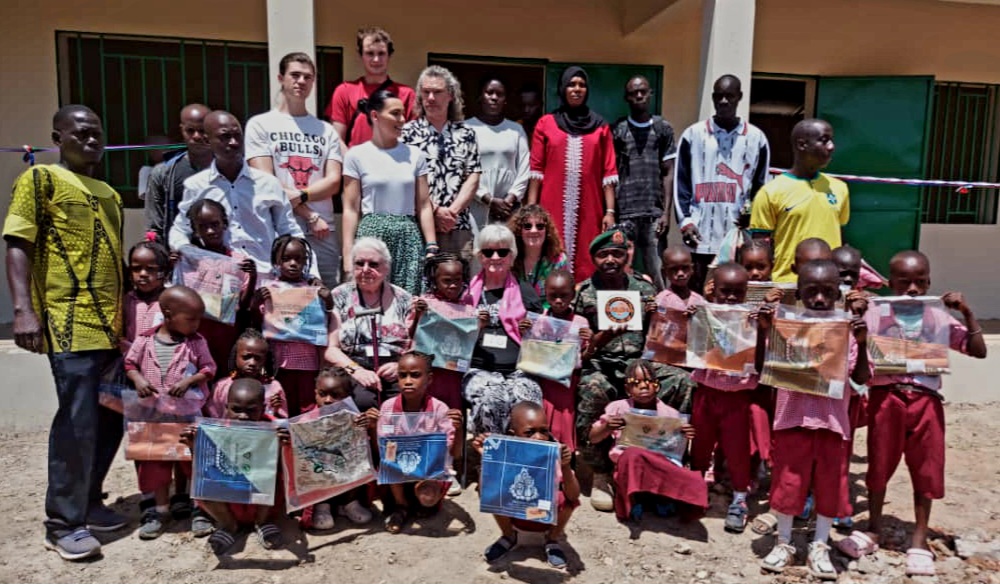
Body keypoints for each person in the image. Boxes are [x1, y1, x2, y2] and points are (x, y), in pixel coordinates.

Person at [4, 105, 127, 560]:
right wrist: (23, 311)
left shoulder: (109, 193)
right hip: (69, 322)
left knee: (111, 416)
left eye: (96, 133)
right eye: (80, 133)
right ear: (58, 137)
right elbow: (18, 244)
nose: (91, 140)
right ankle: (62, 522)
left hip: (110, 328)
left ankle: (89, 502)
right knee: (76, 423)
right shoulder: (40, 181)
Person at [841, 251, 986, 577]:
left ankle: (919, 539)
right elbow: (859, 371)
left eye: (920, 283)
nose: (912, 290)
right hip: (885, 398)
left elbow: (978, 350)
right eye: (904, 283)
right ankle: (873, 528)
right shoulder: (876, 314)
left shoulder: (938, 319)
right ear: (890, 284)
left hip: (926, 401)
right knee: (879, 464)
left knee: (927, 467)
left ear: (929, 283)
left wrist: (967, 312)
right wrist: (857, 317)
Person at [756, 259, 870, 579]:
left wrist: (861, 345)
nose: (819, 299)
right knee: (788, 484)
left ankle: (820, 543)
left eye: (827, 292)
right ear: (799, 291)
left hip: (833, 423)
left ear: (838, 292)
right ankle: (784, 542)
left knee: (828, 486)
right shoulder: (785, 326)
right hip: (792, 419)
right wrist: (764, 330)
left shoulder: (847, 329)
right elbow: (763, 370)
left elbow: (861, 378)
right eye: (811, 291)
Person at [574, 229, 694, 512]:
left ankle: (668, 461)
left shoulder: (643, 287)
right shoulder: (583, 292)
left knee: (682, 381)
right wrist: (601, 337)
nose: (611, 259)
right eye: (604, 254)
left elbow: (662, 333)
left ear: (627, 254)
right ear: (594, 258)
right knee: (594, 388)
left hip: (642, 362)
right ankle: (600, 471)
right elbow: (579, 352)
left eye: (617, 253)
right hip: (601, 363)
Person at [168, 110, 315, 278]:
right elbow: (180, 229)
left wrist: (310, 275)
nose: (233, 142)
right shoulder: (197, 186)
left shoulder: (268, 184)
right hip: (218, 280)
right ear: (208, 141)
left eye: (237, 135)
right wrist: (187, 250)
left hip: (265, 278)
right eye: (225, 137)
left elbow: (288, 229)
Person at [124, 286, 215, 539]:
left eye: (199, 319)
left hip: (186, 415)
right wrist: (139, 380)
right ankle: (159, 511)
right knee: (156, 463)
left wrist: (189, 381)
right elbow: (130, 364)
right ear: (168, 313)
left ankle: (198, 509)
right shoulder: (144, 340)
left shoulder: (196, 342)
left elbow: (209, 368)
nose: (196, 324)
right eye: (190, 319)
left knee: (192, 461)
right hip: (154, 415)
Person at [246, 52, 344, 287]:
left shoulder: (326, 130)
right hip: (279, 226)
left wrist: (302, 197)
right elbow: (265, 180)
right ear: (281, 78)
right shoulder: (260, 125)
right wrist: (309, 215)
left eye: (307, 77)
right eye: (295, 75)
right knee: (279, 295)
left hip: (322, 230)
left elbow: (333, 181)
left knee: (325, 293)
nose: (301, 81)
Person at [675, 75, 770, 293]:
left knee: (734, 296)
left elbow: (760, 188)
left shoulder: (756, 138)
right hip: (700, 235)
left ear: (740, 98)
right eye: (719, 96)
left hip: (738, 237)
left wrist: (752, 218)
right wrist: (686, 223)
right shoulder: (693, 135)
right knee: (700, 295)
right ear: (713, 98)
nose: (724, 101)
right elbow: (681, 183)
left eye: (730, 96)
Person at [527, 66, 617, 281]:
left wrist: (610, 211)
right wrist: (532, 210)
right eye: (571, 84)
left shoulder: (600, 127)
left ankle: (582, 303)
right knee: (550, 251)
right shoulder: (546, 124)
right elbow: (536, 170)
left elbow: (609, 172)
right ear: (562, 89)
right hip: (551, 206)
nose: (577, 89)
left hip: (590, 206)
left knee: (588, 252)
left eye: (582, 85)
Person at [342, 89, 436, 294]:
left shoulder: (415, 155)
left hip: (407, 237)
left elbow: (423, 204)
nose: (402, 120)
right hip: (371, 235)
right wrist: (348, 254)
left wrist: (431, 246)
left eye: (403, 114)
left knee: (407, 301)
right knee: (369, 300)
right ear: (375, 116)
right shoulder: (356, 155)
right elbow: (350, 208)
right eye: (395, 113)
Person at [181, 378, 289, 555]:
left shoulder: (273, 429)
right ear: (226, 408)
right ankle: (228, 526)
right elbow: (202, 469)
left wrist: (279, 448)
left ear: (262, 408)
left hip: (262, 503)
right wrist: (195, 447)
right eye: (236, 409)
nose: (243, 416)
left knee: (273, 478)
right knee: (205, 482)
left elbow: (286, 469)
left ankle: (262, 523)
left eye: (251, 410)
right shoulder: (214, 431)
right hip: (227, 502)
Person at [589, 359, 706, 523]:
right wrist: (607, 427)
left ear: (657, 385)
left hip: (656, 465)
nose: (643, 386)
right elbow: (593, 437)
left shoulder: (669, 413)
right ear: (627, 389)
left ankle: (661, 497)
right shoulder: (618, 408)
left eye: (649, 381)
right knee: (632, 456)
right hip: (627, 465)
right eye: (635, 383)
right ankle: (633, 501)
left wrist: (684, 433)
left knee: (693, 480)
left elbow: (674, 449)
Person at [687, 262, 758, 533]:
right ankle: (695, 490)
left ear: (746, 292)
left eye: (737, 293)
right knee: (701, 444)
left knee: (738, 449)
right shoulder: (704, 314)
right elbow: (692, 348)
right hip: (707, 392)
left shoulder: (752, 319)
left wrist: (761, 326)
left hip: (737, 398)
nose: (730, 298)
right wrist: (693, 318)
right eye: (724, 292)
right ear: (712, 290)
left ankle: (740, 498)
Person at [477, 401, 580, 569]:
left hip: (540, 513)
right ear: (514, 434)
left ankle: (552, 540)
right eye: (529, 432)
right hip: (516, 513)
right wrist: (487, 459)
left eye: (544, 431)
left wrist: (566, 466)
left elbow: (574, 496)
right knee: (493, 493)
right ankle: (509, 536)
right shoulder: (505, 455)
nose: (538, 437)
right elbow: (485, 492)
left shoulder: (554, 454)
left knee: (566, 499)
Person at [462, 224, 543, 436]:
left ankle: (524, 459)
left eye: (503, 251)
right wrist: (474, 328)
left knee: (527, 398)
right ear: (480, 256)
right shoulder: (465, 294)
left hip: (519, 370)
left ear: (512, 256)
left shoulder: (526, 293)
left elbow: (543, 340)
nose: (495, 257)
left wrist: (530, 331)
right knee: (493, 399)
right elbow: (454, 338)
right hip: (478, 370)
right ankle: (491, 456)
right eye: (488, 252)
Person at [373, 351, 463, 533]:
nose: (407, 381)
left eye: (415, 375)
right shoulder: (388, 408)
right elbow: (383, 451)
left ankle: (421, 497)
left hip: (428, 469)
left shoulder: (439, 409)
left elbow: (455, 453)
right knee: (390, 461)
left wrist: (459, 429)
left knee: (427, 502)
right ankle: (401, 506)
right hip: (399, 467)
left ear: (429, 379)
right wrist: (372, 427)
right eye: (402, 375)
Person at [750, 118, 848, 283]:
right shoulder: (770, 192)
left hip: (827, 285)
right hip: (787, 285)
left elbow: (840, 238)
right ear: (802, 145)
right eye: (824, 141)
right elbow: (760, 248)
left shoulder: (840, 188)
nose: (831, 147)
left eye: (831, 141)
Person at [401, 66, 482, 264]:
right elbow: (405, 178)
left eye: (437, 92)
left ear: (450, 96)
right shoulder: (407, 133)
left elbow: (473, 176)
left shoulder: (466, 133)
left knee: (457, 286)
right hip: (418, 226)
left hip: (458, 226)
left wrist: (451, 213)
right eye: (426, 92)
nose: (430, 98)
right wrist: (435, 210)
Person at [324, 238, 414, 411]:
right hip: (354, 364)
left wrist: (400, 366)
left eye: (373, 264)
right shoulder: (339, 296)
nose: (366, 269)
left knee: (404, 401)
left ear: (386, 268)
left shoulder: (403, 298)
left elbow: (416, 343)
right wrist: (357, 371)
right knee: (363, 402)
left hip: (394, 366)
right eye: (359, 263)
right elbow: (331, 348)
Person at [178, 199, 258, 377]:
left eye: (215, 224)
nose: (210, 231)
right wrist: (172, 265)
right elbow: (178, 295)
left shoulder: (237, 262)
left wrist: (252, 277)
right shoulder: (190, 261)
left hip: (226, 336)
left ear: (225, 223)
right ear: (195, 229)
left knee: (224, 381)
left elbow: (243, 306)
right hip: (196, 335)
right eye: (203, 226)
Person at [254, 235, 333, 416]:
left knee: (307, 409)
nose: (292, 263)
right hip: (278, 362)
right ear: (276, 261)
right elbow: (257, 322)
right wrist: (257, 300)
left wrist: (327, 298)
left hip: (308, 363)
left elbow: (327, 313)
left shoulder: (313, 287)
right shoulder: (270, 288)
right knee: (281, 406)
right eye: (286, 259)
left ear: (306, 261)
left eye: (298, 259)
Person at [612, 76, 677, 289]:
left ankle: (660, 318)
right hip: (625, 214)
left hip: (653, 215)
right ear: (626, 98)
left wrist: (666, 213)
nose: (638, 96)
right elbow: (610, 174)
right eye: (633, 93)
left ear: (650, 94)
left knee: (658, 272)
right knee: (618, 271)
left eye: (642, 91)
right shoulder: (618, 130)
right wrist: (611, 211)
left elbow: (668, 172)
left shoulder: (662, 128)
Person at [299, 367, 375, 530]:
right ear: (315, 393)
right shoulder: (305, 420)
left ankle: (349, 504)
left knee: (358, 454)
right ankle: (322, 506)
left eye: (335, 395)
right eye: (322, 394)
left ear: (348, 397)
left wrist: (369, 426)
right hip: (320, 479)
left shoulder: (355, 418)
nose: (327, 400)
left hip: (346, 479)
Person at [325, 26, 416, 148]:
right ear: (360, 55)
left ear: (389, 55)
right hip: (355, 164)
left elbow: (411, 141)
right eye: (370, 53)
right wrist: (354, 164)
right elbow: (337, 140)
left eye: (381, 53)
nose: (376, 59)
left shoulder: (407, 94)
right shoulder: (344, 91)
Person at [409, 253, 473, 410]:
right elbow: (411, 335)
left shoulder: (467, 306)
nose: (453, 285)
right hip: (432, 372)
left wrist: (481, 324)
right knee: (428, 409)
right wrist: (418, 316)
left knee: (453, 411)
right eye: (446, 281)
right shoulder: (426, 304)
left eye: (457, 280)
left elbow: (470, 337)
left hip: (454, 374)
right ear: (434, 281)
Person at [466, 76, 531, 231]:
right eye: (489, 93)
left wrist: (510, 199)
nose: (494, 98)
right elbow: (464, 170)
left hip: (508, 209)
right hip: (476, 205)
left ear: (505, 100)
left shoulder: (516, 130)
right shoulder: (466, 128)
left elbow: (524, 168)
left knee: (505, 249)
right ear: (480, 97)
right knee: (477, 249)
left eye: (499, 94)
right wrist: (488, 199)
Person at [537, 269, 591, 452]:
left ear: (573, 295)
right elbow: (531, 350)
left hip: (567, 382)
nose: (558, 301)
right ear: (545, 293)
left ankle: (566, 461)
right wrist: (525, 332)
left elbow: (585, 356)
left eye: (564, 295)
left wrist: (590, 340)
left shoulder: (580, 322)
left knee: (564, 420)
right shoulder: (540, 320)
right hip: (544, 381)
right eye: (553, 296)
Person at [145, 103, 212, 244]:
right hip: (179, 257)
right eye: (190, 130)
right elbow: (155, 228)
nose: (197, 136)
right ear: (182, 131)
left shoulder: (227, 169)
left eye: (203, 130)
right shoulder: (163, 173)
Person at [207, 328, 288, 420]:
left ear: (265, 360)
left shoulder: (274, 387)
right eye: (246, 357)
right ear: (235, 356)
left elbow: (282, 421)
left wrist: (277, 411)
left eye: (258, 358)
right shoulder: (222, 386)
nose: (252, 363)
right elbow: (212, 418)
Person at [507, 204, 568, 307]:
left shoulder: (559, 260)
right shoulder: (509, 258)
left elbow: (560, 297)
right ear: (519, 231)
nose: (534, 230)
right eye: (527, 226)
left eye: (540, 226)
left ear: (547, 231)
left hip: (546, 316)